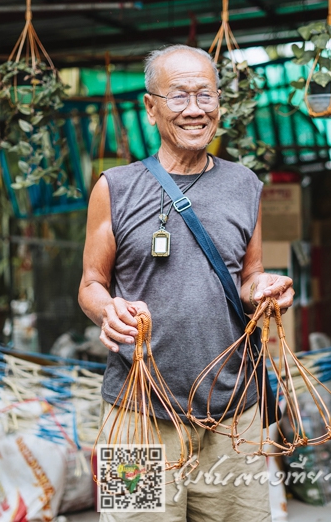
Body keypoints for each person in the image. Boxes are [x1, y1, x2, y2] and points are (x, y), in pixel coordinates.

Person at [78, 44, 294, 521]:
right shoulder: (115, 186)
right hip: (136, 411)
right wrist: (106, 309)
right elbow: (91, 282)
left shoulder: (246, 185)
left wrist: (264, 289)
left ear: (220, 103)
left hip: (236, 413)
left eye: (206, 95)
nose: (195, 110)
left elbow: (249, 275)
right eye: (178, 96)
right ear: (151, 108)